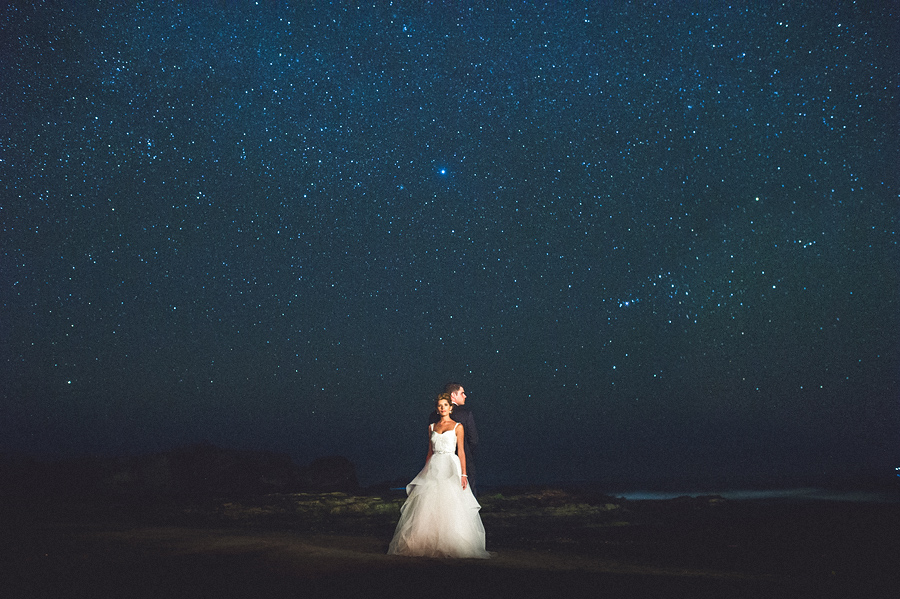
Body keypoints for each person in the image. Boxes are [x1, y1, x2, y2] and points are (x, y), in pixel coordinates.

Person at [387, 393, 490, 558]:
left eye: (445, 405)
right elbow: (429, 451)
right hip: (434, 465)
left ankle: (453, 542)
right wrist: (425, 471)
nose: (442, 408)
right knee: (429, 503)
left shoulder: (458, 426)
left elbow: (461, 451)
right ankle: (427, 542)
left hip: (450, 464)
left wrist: (463, 474)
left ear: (450, 407)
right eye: (440, 406)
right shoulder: (431, 427)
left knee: (451, 501)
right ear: (437, 408)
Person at [428, 382, 479, 495]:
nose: (465, 396)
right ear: (453, 395)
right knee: (465, 495)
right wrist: (467, 454)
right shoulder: (466, 414)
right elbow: (473, 440)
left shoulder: (433, 415)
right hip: (461, 462)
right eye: (462, 393)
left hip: (437, 464)